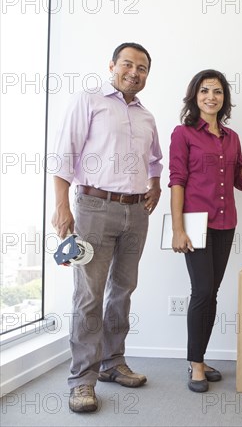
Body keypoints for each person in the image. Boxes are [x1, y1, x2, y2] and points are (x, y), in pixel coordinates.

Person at [52, 42, 163, 412]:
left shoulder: (147, 116)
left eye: (142, 67)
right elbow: (65, 154)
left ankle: (113, 363)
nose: (135, 72)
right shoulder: (89, 99)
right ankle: (82, 380)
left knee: (123, 291)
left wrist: (155, 184)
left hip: (136, 212)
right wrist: (61, 207)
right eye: (128, 64)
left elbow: (156, 160)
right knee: (89, 295)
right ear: (112, 65)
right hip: (94, 208)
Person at [168, 69, 242, 393]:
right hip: (196, 226)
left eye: (218, 91)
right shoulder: (183, 134)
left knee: (212, 294)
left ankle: (200, 357)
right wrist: (177, 229)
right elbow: (177, 181)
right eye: (205, 90)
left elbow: (241, 181)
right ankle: (195, 364)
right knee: (203, 292)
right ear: (195, 96)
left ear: (224, 98)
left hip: (226, 224)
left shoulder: (231, 137)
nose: (212, 96)